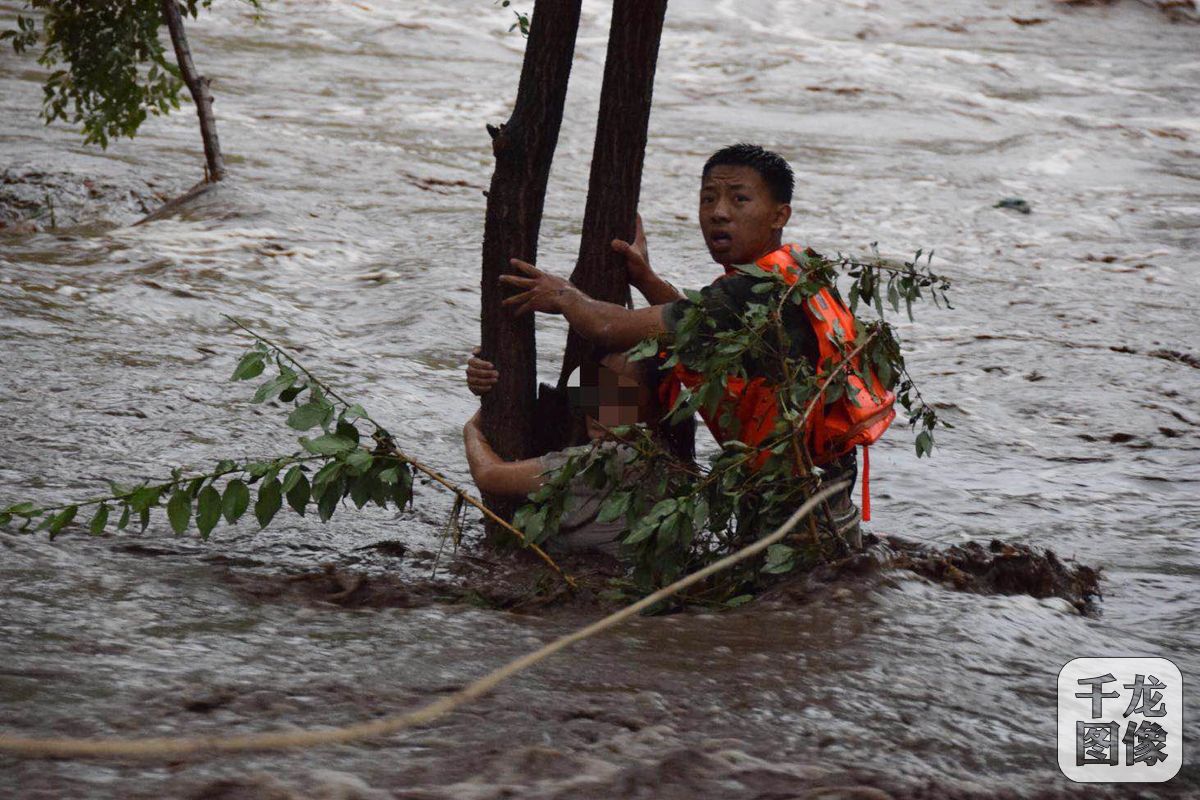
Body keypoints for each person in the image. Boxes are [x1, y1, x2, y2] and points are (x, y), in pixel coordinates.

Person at [495, 143, 864, 546]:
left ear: (780, 215)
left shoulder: (748, 292)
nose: (718, 212)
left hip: (795, 517)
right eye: (708, 199)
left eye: (739, 199)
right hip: (827, 494)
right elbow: (700, 323)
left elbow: (608, 328)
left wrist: (564, 296)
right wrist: (646, 279)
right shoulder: (796, 273)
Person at [463, 353, 660, 558]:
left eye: (622, 396)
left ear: (654, 407)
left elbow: (488, 474)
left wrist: (472, 428)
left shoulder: (614, 459)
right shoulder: (656, 454)